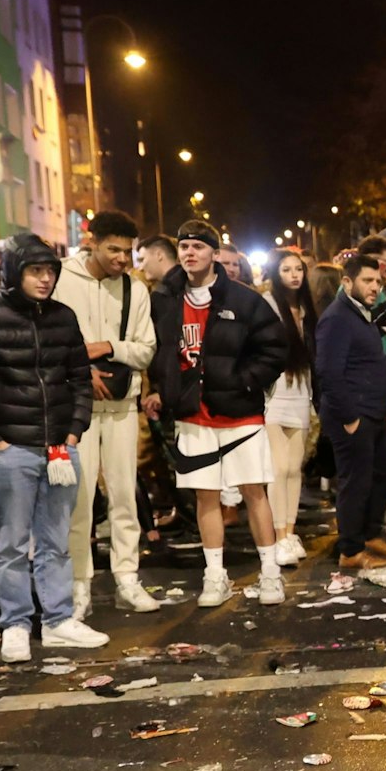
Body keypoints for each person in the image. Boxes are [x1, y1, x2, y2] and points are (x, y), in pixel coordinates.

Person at [0, 234, 110, 663]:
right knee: (12, 542)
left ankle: (57, 620)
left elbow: (78, 377)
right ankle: (15, 623)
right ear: (13, 273)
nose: (45, 279)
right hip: (9, 448)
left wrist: (74, 431)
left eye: (50, 271)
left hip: (60, 448)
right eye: (36, 271)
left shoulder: (63, 317)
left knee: (56, 538)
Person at [144, 221, 291, 605]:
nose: (189, 253)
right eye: (184, 246)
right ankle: (215, 576)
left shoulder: (243, 299)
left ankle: (271, 574)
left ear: (213, 253)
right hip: (192, 415)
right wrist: (164, 388)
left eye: (197, 246)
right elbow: (158, 350)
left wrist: (246, 380)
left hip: (239, 414)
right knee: (205, 497)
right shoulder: (164, 299)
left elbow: (275, 348)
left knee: (254, 492)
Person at [54, 211, 160, 618]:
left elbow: (145, 348)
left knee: (124, 494)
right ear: (91, 241)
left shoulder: (135, 289)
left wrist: (107, 347)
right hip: (75, 407)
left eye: (128, 250)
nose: (121, 258)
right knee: (78, 499)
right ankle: (79, 584)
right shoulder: (62, 279)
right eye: (113, 249)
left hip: (120, 405)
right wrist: (84, 368)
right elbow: (50, 342)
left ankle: (127, 578)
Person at [313, 254, 386, 571]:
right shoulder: (337, 317)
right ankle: (350, 550)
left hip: (373, 414)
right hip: (352, 416)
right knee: (355, 483)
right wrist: (350, 417)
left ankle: (368, 533)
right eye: (367, 280)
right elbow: (329, 372)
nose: (375, 286)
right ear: (347, 282)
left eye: (378, 281)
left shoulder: (361, 313)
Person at [259, 250, 317, 565]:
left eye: (299, 269)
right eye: (286, 269)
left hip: (301, 392)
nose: (294, 275)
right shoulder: (268, 304)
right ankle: (278, 536)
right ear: (275, 273)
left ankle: (290, 533)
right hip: (274, 394)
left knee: (295, 470)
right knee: (278, 469)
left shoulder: (307, 308)